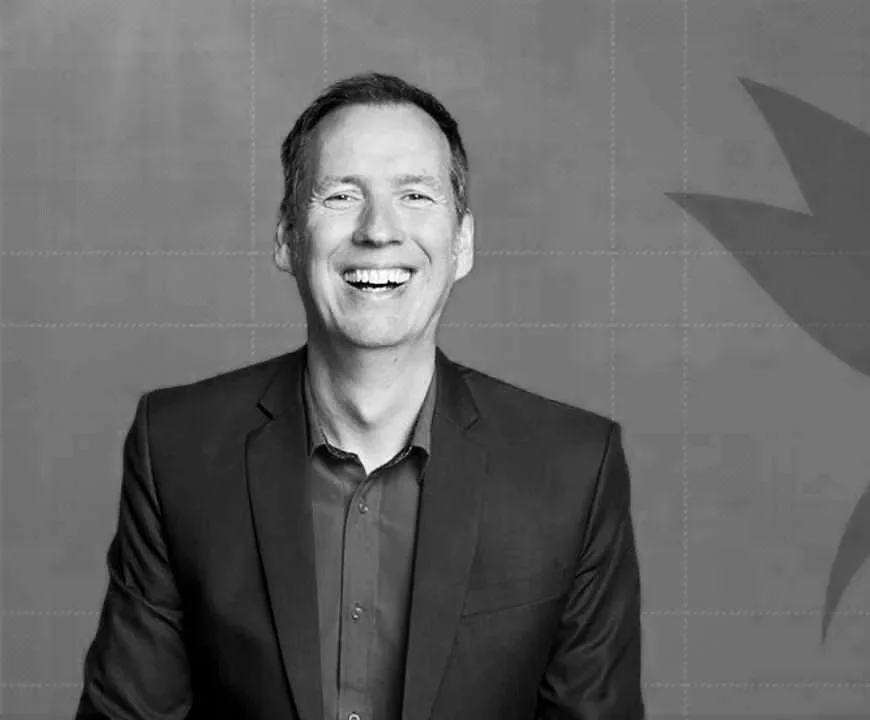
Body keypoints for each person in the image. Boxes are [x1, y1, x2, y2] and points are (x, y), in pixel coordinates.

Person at [76, 72, 645, 719]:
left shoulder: (574, 470)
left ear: (462, 243)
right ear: (287, 237)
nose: (379, 230)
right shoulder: (177, 449)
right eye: (343, 195)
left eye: (415, 196)